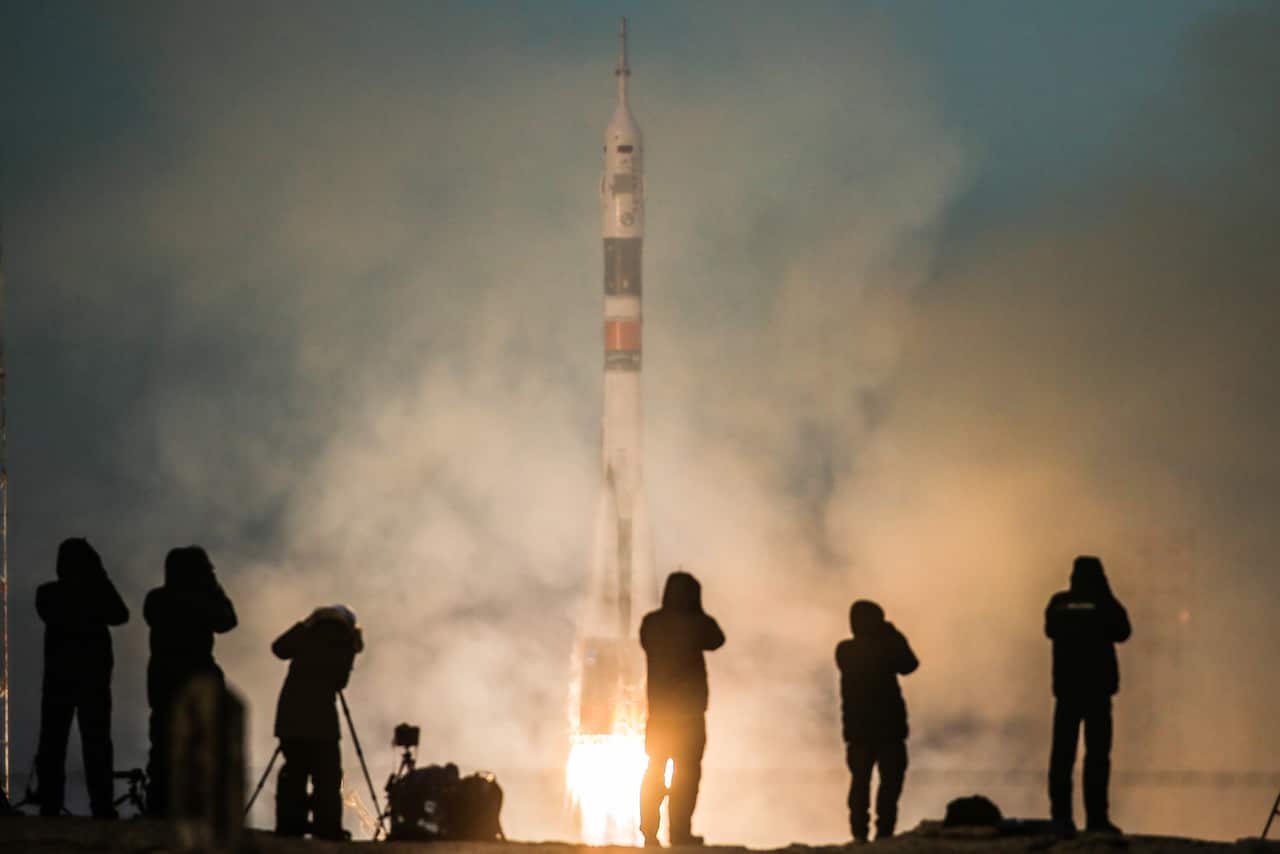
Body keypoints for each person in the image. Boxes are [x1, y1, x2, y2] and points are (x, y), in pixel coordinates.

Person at [34, 538, 130, 818]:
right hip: (91, 680)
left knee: (54, 743)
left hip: (59, 679)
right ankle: (100, 806)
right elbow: (120, 614)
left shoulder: (49, 593)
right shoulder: (94, 592)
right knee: (95, 743)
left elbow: (119, 615)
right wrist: (100, 579)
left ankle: (50, 804)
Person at [143, 545, 238, 816]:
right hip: (196, 681)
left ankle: (160, 807)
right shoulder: (202, 601)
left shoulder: (157, 599)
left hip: (163, 681)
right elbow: (228, 621)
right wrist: (213, 586)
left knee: (163, 746)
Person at [1045, 555, 1131, 837]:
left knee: (1062, 757)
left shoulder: (1059, 603)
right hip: (1096, 692)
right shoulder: (1105, 605)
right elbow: (1123, 631)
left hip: (1068, 691)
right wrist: (1105, 596)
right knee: (1096, 758)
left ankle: (1061, 818)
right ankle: (1096, 819)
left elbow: (1051, 629)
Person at [639, 571, 725, 846]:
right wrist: (697, 612)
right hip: (689, 714)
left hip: (660, 713)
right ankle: (679, 833)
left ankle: (649, 832)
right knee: (687, 775)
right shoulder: (695, 624)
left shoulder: (651, 623)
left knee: (655, 770)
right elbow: (717, 638)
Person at [271, 605, 364, 840]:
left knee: (295, 771)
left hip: (290, 716)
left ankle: (291, 826)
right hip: (322, 719)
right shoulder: (345, 639)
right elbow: (339, 681)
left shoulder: (307, 633)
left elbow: (279, 648)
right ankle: (327, 828)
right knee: (327, 776)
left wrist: (304, 625)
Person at [836, 599, 918, 843]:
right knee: (872, 784)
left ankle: (873, 833)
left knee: (877, 784)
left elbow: (909, 665)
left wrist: (889, 635)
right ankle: (871, 834)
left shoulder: (849, 650)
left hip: (873, 731)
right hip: (877, 731)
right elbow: (908, 663)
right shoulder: (850, 650)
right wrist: (892, 634)